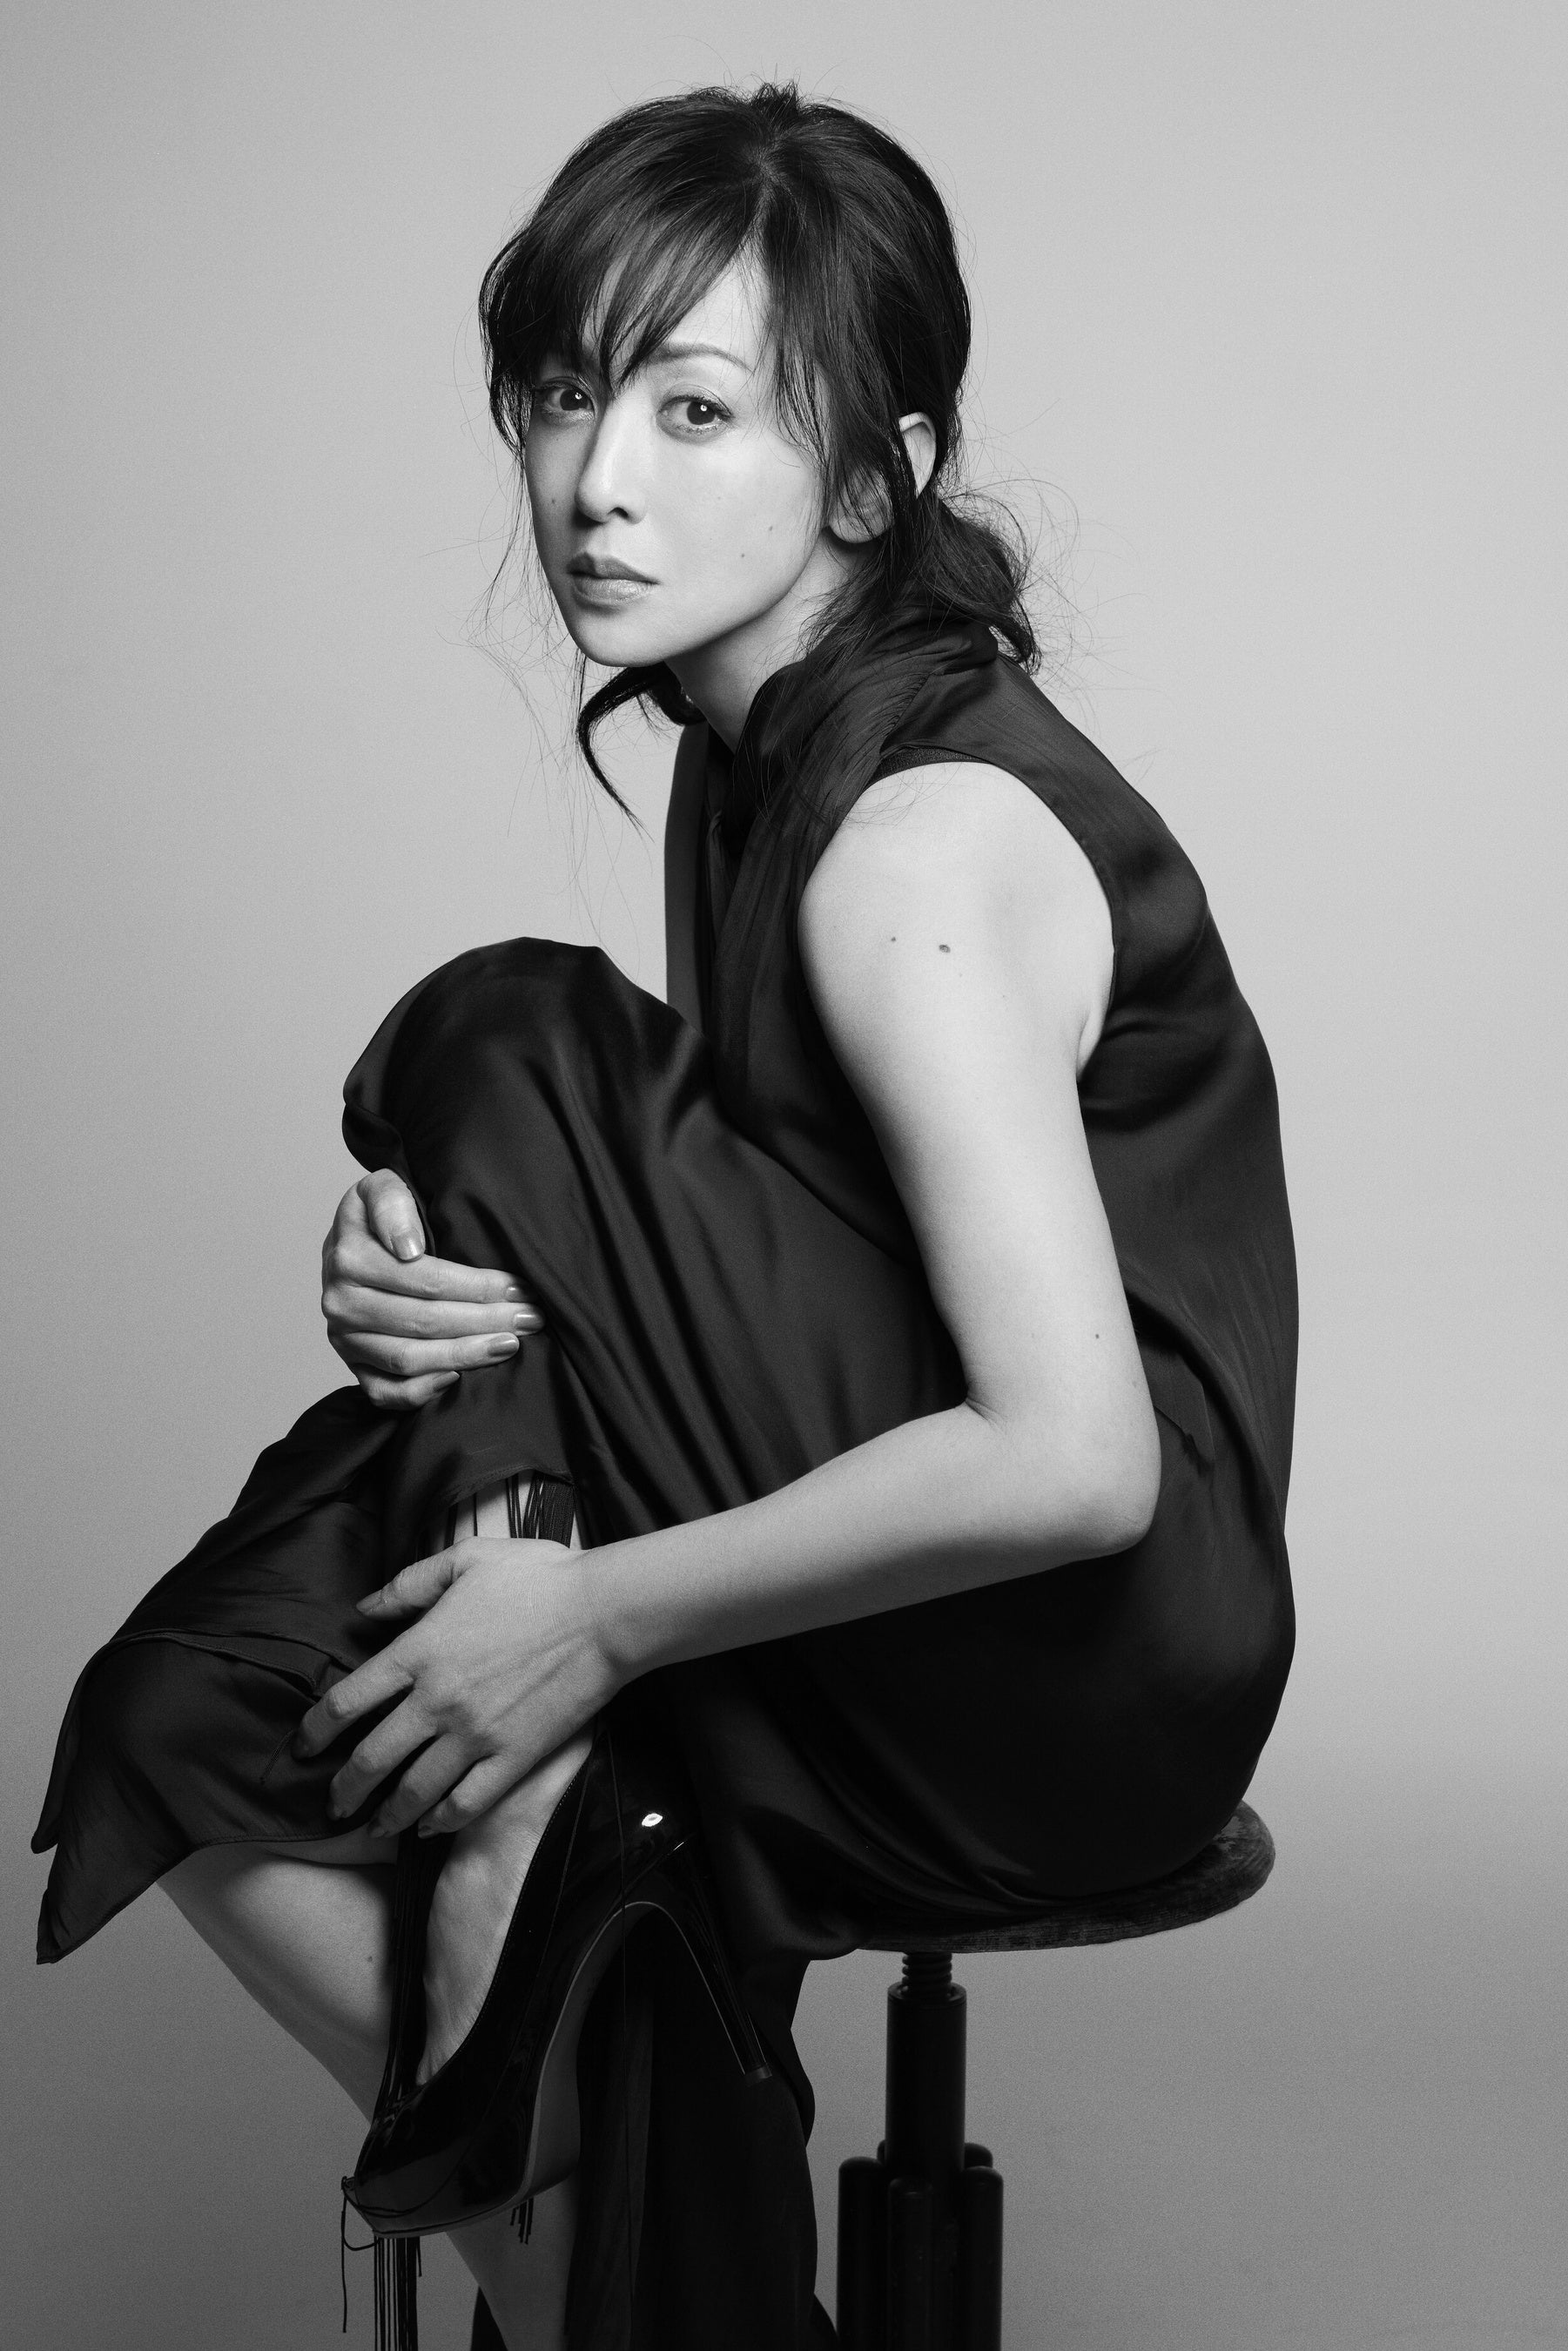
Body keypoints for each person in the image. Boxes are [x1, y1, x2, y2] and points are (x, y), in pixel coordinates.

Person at [32, 82, 1296, 2351]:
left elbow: (1075, 1457)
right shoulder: (747, 758)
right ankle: (643, 2277)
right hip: (894, 1554)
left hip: (1072, 1661)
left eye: (692, 410)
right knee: (188, 1710)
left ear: (871, 476)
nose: (594, 479)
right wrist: (453, 1271)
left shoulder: (915, 850)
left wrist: (590, 1618)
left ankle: (534, 1817)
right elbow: (752, 1229)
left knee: (507, 1034)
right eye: (559, 396)